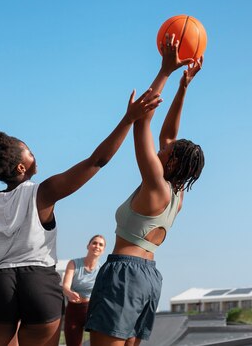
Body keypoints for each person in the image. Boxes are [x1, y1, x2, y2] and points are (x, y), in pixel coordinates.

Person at [0, 88, 162, 346]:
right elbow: (97, 161)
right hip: (38, 282)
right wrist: (128, 119)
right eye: (29, 152)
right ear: (21, 167)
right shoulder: (42, 192)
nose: (34, 154)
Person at [86, 34, 205, 346]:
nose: (165, 147)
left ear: (173, 160)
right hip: (150, 278)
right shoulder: (176, 196)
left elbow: (144, 122)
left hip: (124, 274)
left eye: (170, 150)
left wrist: (164, 71)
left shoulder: (155, 182)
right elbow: (169, 133)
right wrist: (182, 88)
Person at [62, 235, 106, 346]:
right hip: (73, 310)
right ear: (88, 246)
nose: (97, 246)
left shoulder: (102, 270)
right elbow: (65, 286)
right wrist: (70, 293)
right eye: (94, 243)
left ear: (103, 250)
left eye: (101, 245)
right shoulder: (74, 264)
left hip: (92, 311)